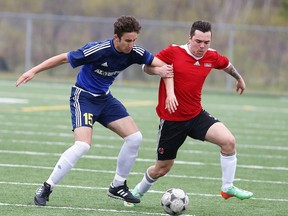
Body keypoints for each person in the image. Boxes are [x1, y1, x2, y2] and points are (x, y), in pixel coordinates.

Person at [15, 15, 173, 206]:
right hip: (83, 97)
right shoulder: (98, 49)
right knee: (82, 145)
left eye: (134, 40)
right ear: (117, 38)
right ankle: (47, 186)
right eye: (128, 40)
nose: (132, 44)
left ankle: (118, 185)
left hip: (105, 99)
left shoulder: (135, 51)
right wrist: (33, 70)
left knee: (135, 138)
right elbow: (64, 58)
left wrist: (158, 72)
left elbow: (158, 65)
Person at [124, 20, 253, 207]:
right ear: (190, 38)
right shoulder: (173, 52)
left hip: (196, 115)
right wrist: (159, 70)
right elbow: (146, 67)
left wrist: (239, 78)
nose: (202, 46)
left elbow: (226, 64)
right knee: (162, 169)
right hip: (172, 120)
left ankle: (227, 187)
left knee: (229, 142)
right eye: (198, 41)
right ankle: (137, 192)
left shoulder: (211, 56)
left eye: (206, 42)